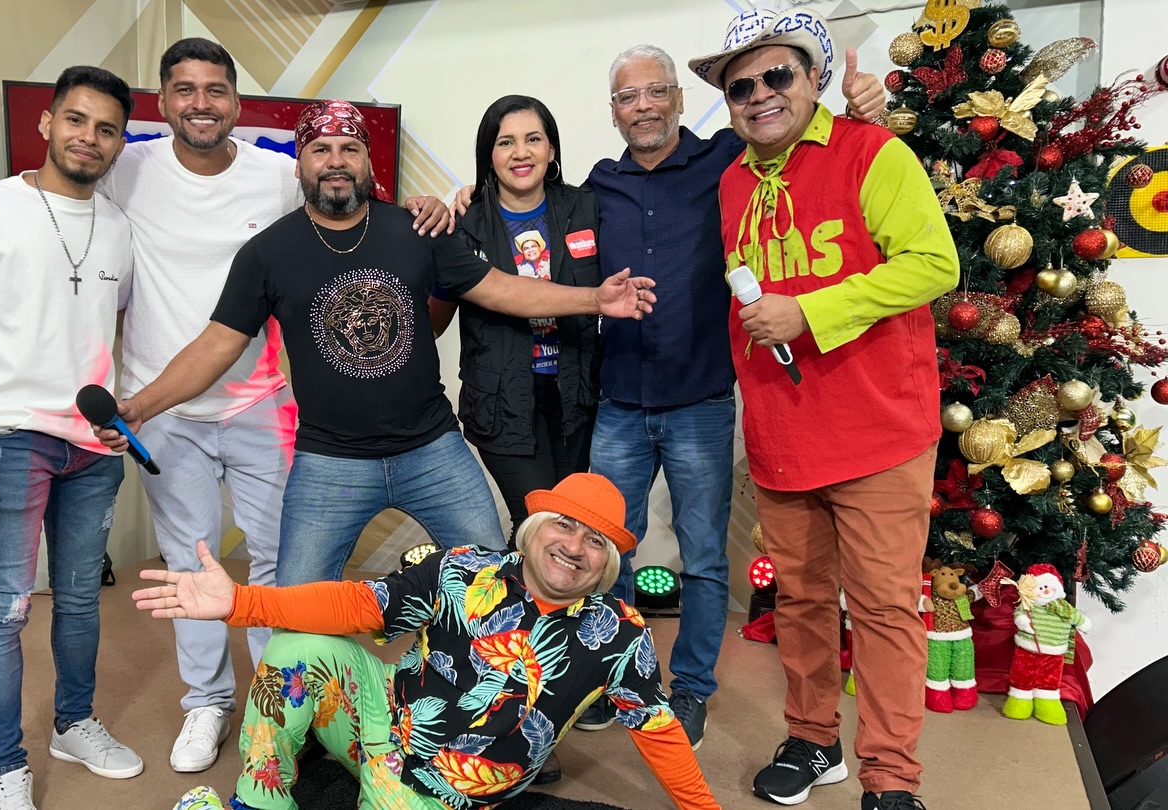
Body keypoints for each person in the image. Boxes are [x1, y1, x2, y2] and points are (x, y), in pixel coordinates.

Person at [0, 39, 452, 775]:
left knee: (280, 567)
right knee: (190, 563)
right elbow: (49, 188)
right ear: (164, 101)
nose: (200, 103)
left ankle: (282, 703)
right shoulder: (127, 168)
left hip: (261, 401)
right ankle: (207, 702)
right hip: (162, 410)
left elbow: (349, 203)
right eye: (184, 89)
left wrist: (423, 206)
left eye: (215, 90)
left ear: (236, 103)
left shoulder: (277, 174)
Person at [97, 100, 656, 598]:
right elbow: (217, 344)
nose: (336, 161)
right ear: (299, 164)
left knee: (492, 586)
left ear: (369, 162)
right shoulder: (267, 253)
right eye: (320, 149)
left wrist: (594, 299)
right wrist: (141, 406)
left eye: (350, 148)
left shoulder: (419, 231)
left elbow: (500, 288)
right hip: (328, 460)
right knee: (296, 602)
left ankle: (487, 682)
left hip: (432, 450)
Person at [571, 36, 885, 747]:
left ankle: (690, 690)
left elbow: (798, 141)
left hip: (701, 400)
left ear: (680, 100)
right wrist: (463, 195)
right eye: (628, 97)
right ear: (614, 111)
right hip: (619, 402)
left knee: (706, 560)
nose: (643, 106)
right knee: (604, 551)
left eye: (656, 91)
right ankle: (616, 677)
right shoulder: (596, 185)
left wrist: (864, 112)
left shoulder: (727, 159)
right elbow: (525, 210)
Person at [688, 8, 958, 809]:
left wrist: (810, 312)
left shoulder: (874, 153)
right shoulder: (733, 181)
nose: (760, 96)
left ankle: (891, 776)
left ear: (814, 78)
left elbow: (933, 264)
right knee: (800, 603)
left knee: (882, 609)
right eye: (741, 87)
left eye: (777, 76)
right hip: (783, 431)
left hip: (879, 430)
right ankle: (812, 739)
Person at [133, 473, 721, 810]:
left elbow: (659, 731)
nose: (574, 546)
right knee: (295, 650)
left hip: (447, 790)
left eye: (595, 541)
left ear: (608, 563)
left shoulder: (620, 633)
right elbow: (359, 605)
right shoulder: (461, 567)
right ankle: (260, 804)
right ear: (535, 530)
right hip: (381, 721)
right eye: (564, 525)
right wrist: (242, 603)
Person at [0, 66, 142, 810]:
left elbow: (107, 328)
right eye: (75, 120)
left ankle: (73, 723)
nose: (89, 138)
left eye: (106, 128)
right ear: (45, 123)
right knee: (5, 609)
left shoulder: (118, 226)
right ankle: (5, 767)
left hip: (92, 448)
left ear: (119, 142)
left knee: (80, 601)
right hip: (9, 440)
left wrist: (116, 415)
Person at [429, 95, 600, 546]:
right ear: (489, 153)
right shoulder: (464, 223)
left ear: (552, 149)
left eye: (533, 139)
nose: (520, 153)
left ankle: (522, 591)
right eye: (505, 142)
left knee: (567, 522)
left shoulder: (587, 207)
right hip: (502, 404)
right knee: (540, 521)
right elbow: (434, 321)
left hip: (576, 398)